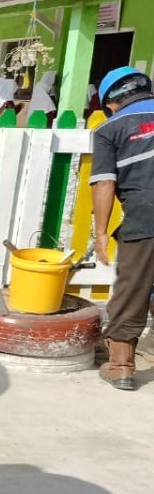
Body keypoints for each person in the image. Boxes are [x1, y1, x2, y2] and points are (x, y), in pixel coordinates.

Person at [88, 67, 154, 390]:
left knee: (133, 286)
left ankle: (121, 365)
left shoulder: (110, 129)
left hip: (145, 215)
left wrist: (101, 233)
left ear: (111, 103)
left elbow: (103, 183)